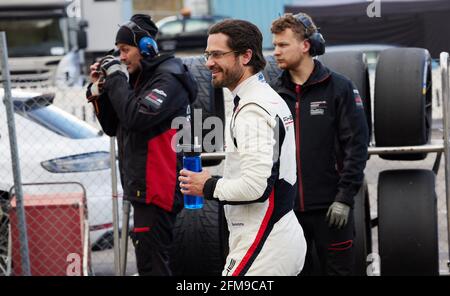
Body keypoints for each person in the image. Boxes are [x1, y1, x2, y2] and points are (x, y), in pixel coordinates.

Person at [179, 19, 306, 276]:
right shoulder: (260, 98)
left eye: (217, 54)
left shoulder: (253, 107)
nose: (208, 63)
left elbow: (256, 186)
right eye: (207, 54)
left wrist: (207, 185)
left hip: (265, 241)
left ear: (246, 56)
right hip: (272, 236)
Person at [86, 14, 198, 275]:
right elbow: (114, 126)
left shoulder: (168, 78)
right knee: (148, 264)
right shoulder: (138, 78)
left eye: (125, 50)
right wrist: (100, 89)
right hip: (142, 189)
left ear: (147, 47)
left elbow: (136, 117)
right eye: (118, 52)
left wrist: (116, 78)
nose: (121, 57)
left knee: (153, 266)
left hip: (159, 188)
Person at [270, 13, 369, 276]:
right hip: (288, 214)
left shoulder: (339, 87)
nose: (275, 52)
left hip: (332, 210)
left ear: (305, 46)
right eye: (274, 45)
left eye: (282, 45)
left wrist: (345, 198)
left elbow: (356, 146)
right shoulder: (272, 94)